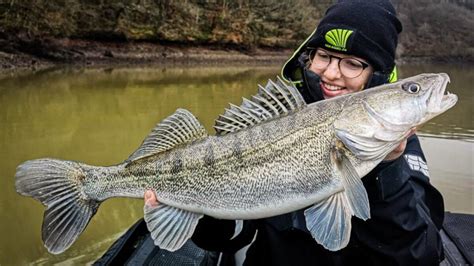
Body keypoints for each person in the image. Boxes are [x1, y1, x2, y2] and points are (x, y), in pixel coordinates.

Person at [144, 0, 446, 265]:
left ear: (378, 77)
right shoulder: (273, 119)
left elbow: (420, 256)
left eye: (354, 64)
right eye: (323, 56)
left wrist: (388, 171)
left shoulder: (398, 147)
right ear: (308, 56)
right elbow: (228, 239)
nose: (330, 73)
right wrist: (199, 209)